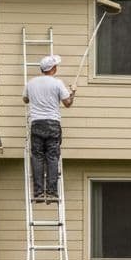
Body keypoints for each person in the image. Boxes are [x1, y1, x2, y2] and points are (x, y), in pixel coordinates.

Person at [22, 54, 75, 202]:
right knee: (52, 157)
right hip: (52, 124)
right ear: (53, 68)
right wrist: (73, 92)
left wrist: (36, 98)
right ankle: (51, 192)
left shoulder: (31, 83)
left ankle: (38, 193)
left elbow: (25, 99)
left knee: (37, 156)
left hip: (37, 124)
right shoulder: (57, 83)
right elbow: (68, 103)